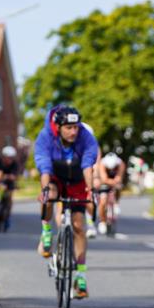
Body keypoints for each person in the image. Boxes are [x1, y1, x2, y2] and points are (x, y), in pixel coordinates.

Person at [33, 105, 99, 298]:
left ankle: (80, 277)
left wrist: (91, 189)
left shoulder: (85, 137)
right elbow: (44, 166)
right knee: (49, 194)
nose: (74, 132)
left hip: (77, 178)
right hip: (55, 176)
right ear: (59, 127)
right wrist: (45, 189)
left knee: (79, 225)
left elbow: (88, 164)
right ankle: (46, 231)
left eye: (76, 127)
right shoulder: (46, 137)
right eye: (69, 128)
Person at [96, 152, 124, 234]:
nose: (111, 169)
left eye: (113, 167)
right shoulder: (102, 164)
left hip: (113, 180)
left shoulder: (120, 164)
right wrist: (112, 182)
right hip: (104, 182)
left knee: (118, 187)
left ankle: (116, 203)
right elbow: (104, 179)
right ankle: (102, 221)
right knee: (103, 200)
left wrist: (116, 182)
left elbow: (119, 177)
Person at [0, 145, 21, 231]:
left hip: (10, 183)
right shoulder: (0, 163)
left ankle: (8, 217)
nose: (9, 160)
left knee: (9, 200)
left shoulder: (15, 164)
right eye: (8, 158)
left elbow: (15, 176)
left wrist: (9, 177)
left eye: (11, 158)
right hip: (1, 183)